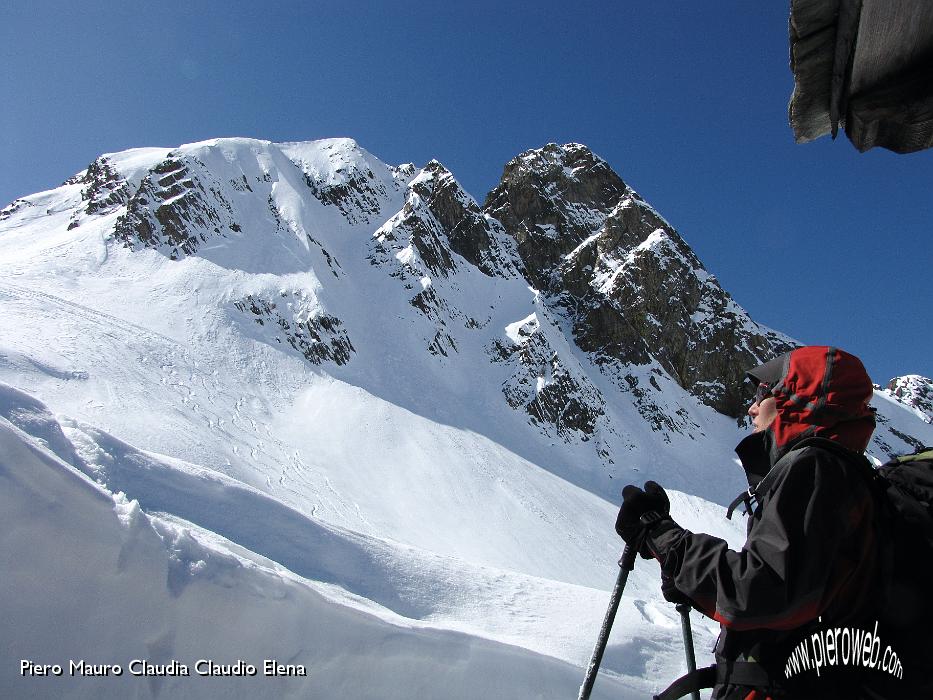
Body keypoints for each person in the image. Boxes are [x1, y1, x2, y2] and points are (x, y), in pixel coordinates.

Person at [615, 346, 902, 699]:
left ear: (799, 399)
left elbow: (762, 591)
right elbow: (788, 601)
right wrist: (685, 576)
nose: (751, 407)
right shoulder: (837, 472)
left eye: (762, 394)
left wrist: (668, 541)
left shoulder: (816, 468)